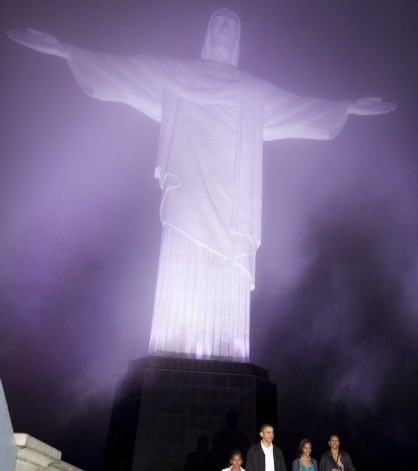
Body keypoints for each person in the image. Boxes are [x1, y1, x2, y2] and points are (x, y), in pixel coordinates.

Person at [7, 10, 396, 363]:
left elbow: (300, 108)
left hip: (233, 204)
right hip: (189, 190)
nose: (225, 28)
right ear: (209, 32)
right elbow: (126, 71)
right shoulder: (179, 74)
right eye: (219, 22)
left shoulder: (251, 89)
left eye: (233, 24)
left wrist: (346, 107)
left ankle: (227, 353)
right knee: (182, 264)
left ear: (239, 37)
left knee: (226, 278)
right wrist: (65, 50)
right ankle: (174, 349)